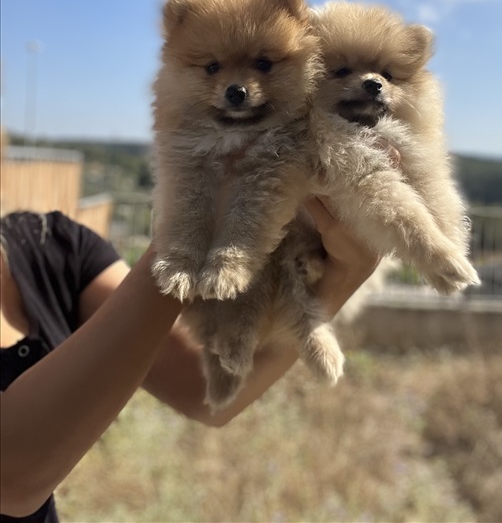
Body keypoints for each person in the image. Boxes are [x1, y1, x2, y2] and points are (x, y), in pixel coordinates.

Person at [0, 197, 382, 521]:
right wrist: (199, 217)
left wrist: (336, 281)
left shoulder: (51, 246)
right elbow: (11, 475)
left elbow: (203, 380)